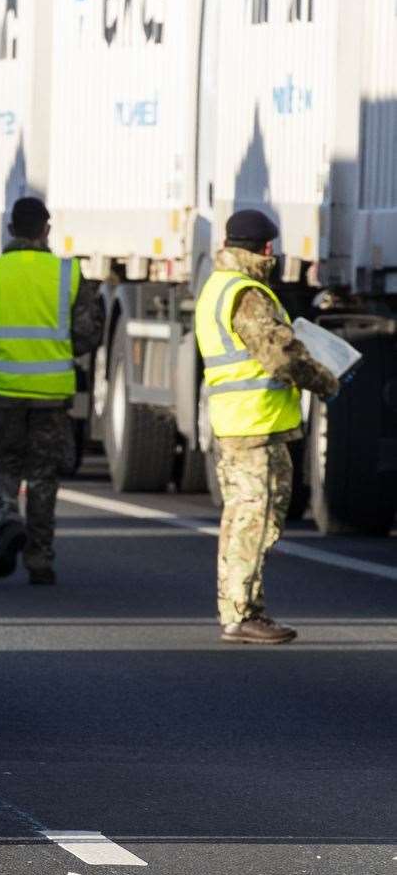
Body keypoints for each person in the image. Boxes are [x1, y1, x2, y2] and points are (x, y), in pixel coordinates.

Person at [193, 209, 339, 644]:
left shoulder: (218, 286)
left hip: (242, 422)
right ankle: (241, 613)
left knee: (246, 516)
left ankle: (240, 608)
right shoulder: (247, 294)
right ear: (268, 248)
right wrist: (324, 379)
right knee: (253, 519)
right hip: (254, 425)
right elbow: (280, 356)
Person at [0, 196, 103, 585]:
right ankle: (40, 559)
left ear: (10, 231)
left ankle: (6, 521)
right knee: (43, 476)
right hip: (51, 394)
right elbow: (88, 334)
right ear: (46, 231)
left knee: (1, 466)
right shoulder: (68, 275)